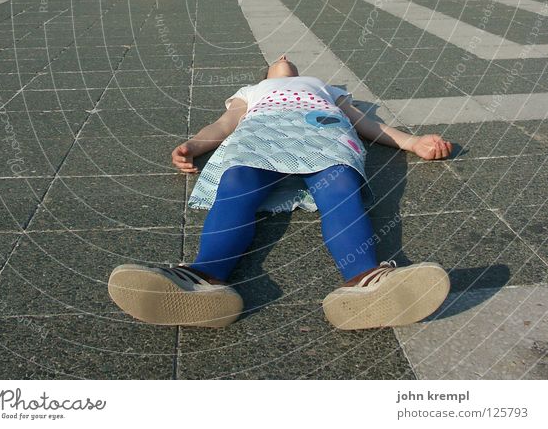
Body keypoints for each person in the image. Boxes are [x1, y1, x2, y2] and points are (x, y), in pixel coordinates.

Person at [108, 55, 452, 330]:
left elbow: (364, 123)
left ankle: (365, 276)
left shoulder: (327, 88)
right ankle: (203, 275)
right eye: (277, 58)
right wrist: (195, 145)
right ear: (267, 74)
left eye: (288, 57)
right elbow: (224, 125)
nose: (284, 57)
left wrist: (412, 142)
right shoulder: (251, 91)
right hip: (263, 131)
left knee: (341, 182)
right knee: (238, 182)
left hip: (322, 127)